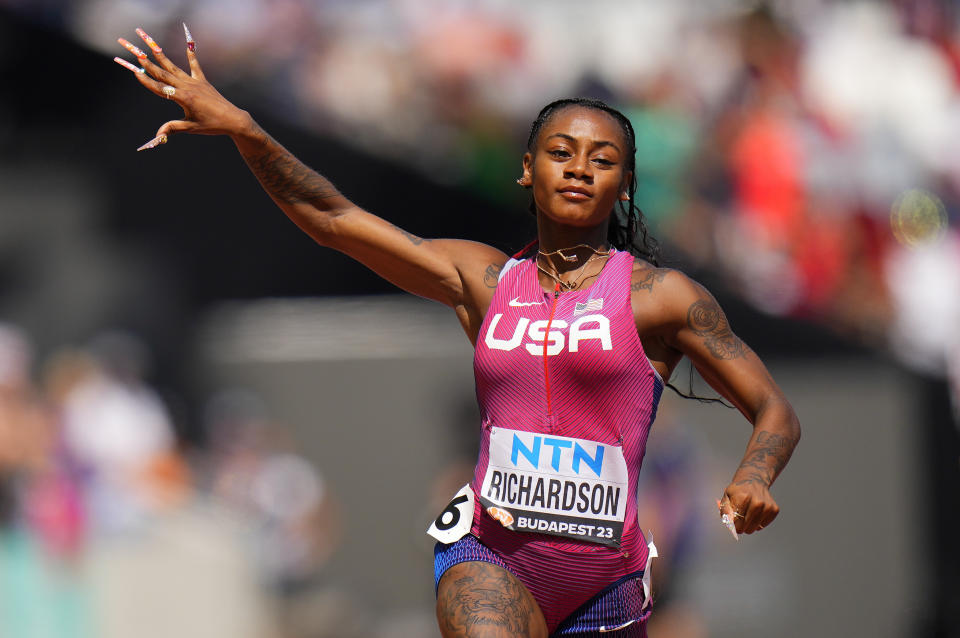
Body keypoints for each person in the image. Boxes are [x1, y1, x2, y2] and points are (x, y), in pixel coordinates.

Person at [114, 25, 800, 638]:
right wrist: (245, 129)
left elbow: (773, 410)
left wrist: (756, 473)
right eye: (561, 151)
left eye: (602, 158)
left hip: (606, 583)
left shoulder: (661, 298)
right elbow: (332, 219)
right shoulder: (483, 280)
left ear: (624, 185)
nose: (580, 167)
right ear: (527, 170)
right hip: (489, 552)